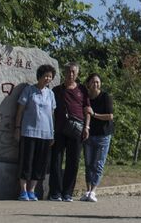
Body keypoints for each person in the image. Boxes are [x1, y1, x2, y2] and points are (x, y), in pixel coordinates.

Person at [48, 62, 90, 201]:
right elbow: (50, 112)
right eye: (68, 71)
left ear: (77, 73)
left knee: (73, 162)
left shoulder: (82, 90)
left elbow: (87, 110)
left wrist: (87, 127)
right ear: (63, 72)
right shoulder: (56, 90)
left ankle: (67, 193)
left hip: (77, 129)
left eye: (73, 71)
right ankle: (55, 193)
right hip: (59, 129)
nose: (70, 74)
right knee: (56, 160)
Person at [14, 65, 57, 200]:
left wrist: (52, 133)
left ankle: (32, 191)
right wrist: (17, 128)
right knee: (26, 161)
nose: (48, 79)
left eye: (50, 76)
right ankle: (23, 191)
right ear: (39, 76)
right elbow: (20, 110)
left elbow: (52, 114)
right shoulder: (29, 90)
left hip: (45, 134)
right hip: (28, 132)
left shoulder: (51, 94)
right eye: (45, 76)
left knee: (40, 164)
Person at [81, 72, 114, 202]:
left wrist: (94, 114)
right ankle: (88, 190)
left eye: (98, 82)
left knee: (98, 164)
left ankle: (94, 191)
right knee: (88, 163)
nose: (96, 84)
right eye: (93, 82)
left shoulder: (105, 96)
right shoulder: (86, 98)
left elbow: (110, 116)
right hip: (89, 134)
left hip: (103, 135)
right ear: (88, 84)